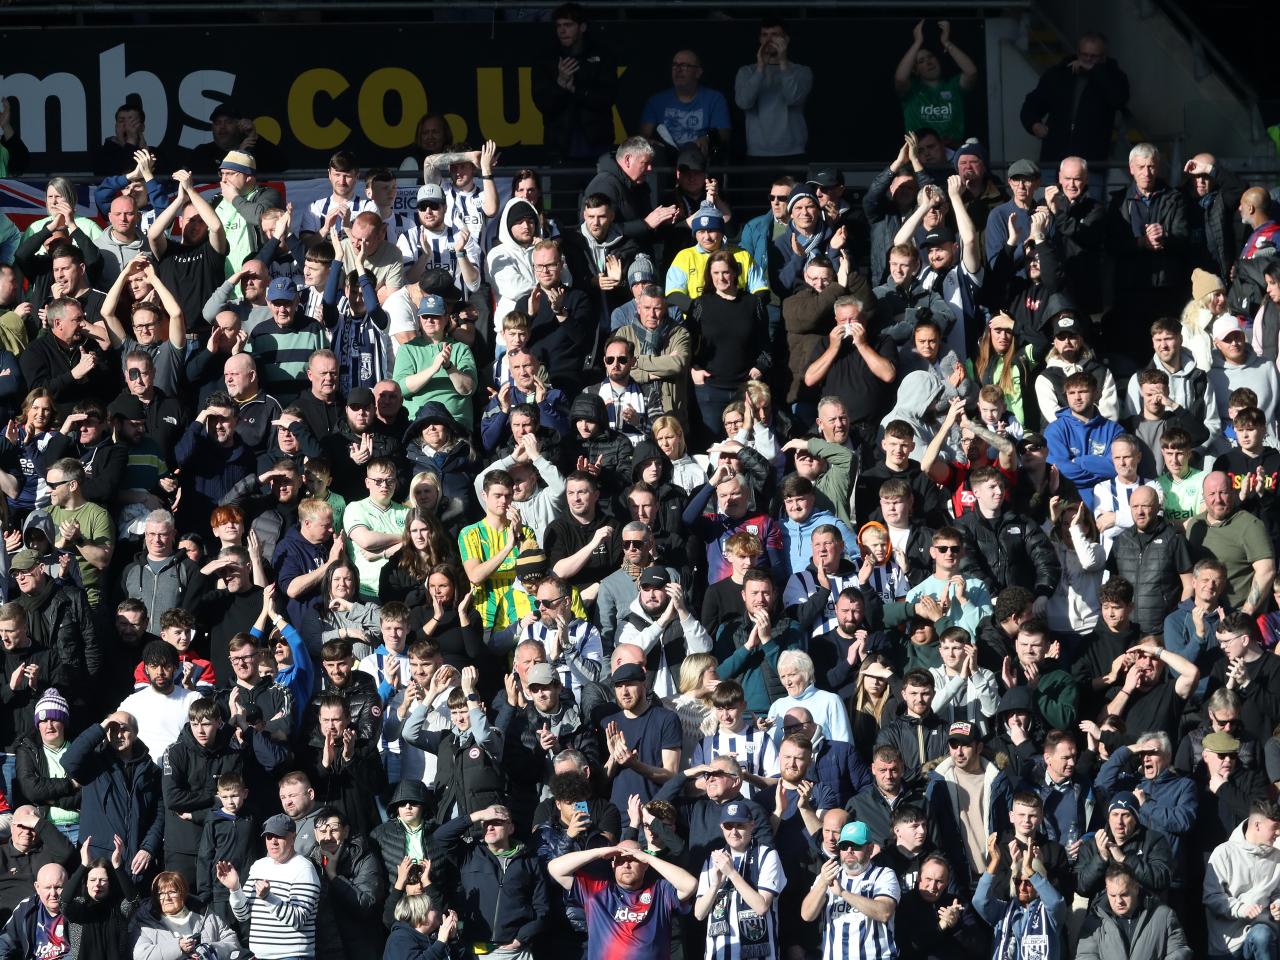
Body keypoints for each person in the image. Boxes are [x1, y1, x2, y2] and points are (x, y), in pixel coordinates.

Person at [432, 803, 549, 957]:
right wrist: (478, 815)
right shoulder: (470, 854)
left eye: (497, 822)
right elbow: (441, 836)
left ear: (511, 828)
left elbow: (542, 907)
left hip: (514, 951)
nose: (490, 827)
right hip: (475, 950)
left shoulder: (529, 860)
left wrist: (521, 938)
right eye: (486, 823)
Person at [62, 711, 161, 885]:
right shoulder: (94, 762)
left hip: (137, 863)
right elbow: (69, 761)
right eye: (112, 729)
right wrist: (100, 727)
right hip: (100, 863)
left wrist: (148, 848)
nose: (118, 735)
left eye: (123, 729)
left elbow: (159, 814)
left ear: (136, 733)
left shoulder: (151, 771)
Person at [1020, 32, 1130, 171]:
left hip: (1091, 163)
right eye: (1084, 54)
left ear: (1103, 57)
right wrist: (1034, 124)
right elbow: (1033, 103)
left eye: (1094, 56)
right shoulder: (1059, 74)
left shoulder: (1114, 76)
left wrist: (1095, 71)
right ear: (1078, 53)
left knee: (1091, 193)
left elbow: (1119, 99)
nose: (1088, 59)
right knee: (1049, 192)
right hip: (1054, 159)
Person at [218, 812, 320, 959]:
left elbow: (298, 920)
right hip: (258, 955)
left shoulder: (304, 869)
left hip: (292, 956)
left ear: (293, 838)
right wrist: (234, 889)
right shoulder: (259, 866)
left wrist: (268, 897)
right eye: (269, 836)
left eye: (279, 836)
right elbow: (243, 915)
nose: (273, 841)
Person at [800, 820, 900, 960]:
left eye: (856, 845)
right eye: (844, 845)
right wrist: (822, 882)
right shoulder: (828, 875)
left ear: (870, 849)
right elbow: (807, 915)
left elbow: (884, 912)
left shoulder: (883, 875)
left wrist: (843, 893)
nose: (849, 851)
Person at [972, 833, 1067, 960]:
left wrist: (1029, 869)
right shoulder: (1003, 911)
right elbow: (979, 901)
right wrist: (995, 861)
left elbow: (1056, 903)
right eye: (1017, 881)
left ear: (1038, 883)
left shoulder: (1050, 913)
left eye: (1028, 882)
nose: (1022, 887)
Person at [734, 18, 813, 160]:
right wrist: (760, 68)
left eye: (775, 35)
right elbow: (744, 103)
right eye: (765, 35)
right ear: (760, 39)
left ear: (786, 40)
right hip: (757, 152)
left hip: (793, 152)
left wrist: (783, 62)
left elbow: (793, 99)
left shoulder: (801, 72)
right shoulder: (746, 72)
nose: (769, 40)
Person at [1076, 862, 1191, 960]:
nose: (1118, 901)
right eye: (1112, 895)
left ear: (1136, 888)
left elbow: (1179, 951)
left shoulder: (1164, 915)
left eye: (1124, 894)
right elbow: (1085, 956)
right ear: (1107, 890)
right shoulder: (1095, 921)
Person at [895, 19, 979, 145]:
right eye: (921, 61)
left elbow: (971, 72)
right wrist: (917, 42)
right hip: (920, 153)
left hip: (952, 153)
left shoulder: (953, 86)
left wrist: (946, 42)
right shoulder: (912, 90)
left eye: (930, 57)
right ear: (915, 70)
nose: (928, 62)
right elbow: (900, 79)